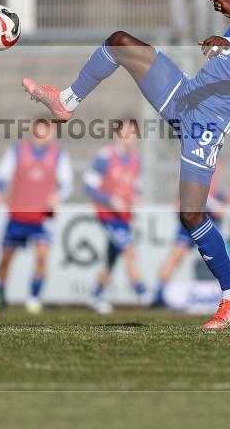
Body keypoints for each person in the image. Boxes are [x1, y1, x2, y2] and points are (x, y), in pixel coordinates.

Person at [22, 0, 230, 330]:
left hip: (207, 125)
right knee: (121, 41)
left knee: (191, 215)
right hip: (187, 97)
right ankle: (66, 102)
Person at [0, 119, 73, 314]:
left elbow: (67, 184)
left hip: (42, 216)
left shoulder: (59, 155)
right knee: (6, 257)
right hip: (18, 214)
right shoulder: (17, 151)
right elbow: (1, 175)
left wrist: (57, 196)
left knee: (42, 257)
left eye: (49, 131)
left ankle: (34, 298)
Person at [83, 118, 148, 314]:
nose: (131, 137)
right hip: (108, 214)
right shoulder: (106, 156)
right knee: (129, 250)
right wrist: (110, 199)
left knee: (112, 259)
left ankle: (95, 295)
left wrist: (135, 198)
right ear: (118, 133)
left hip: (124, 216)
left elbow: (136, 187)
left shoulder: (137, 160)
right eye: (127, 131)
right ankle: (144, 293)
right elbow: (88, 185)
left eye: (134, 132)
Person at [152, 159, 229, 308]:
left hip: (207, 219)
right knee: (176, 256)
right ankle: (158, 294)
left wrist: (220, 196)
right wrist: (214, 204)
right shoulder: (196, 159)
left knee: (222, 257)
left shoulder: (214, 159)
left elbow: (210, 190)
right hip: (191, 218)